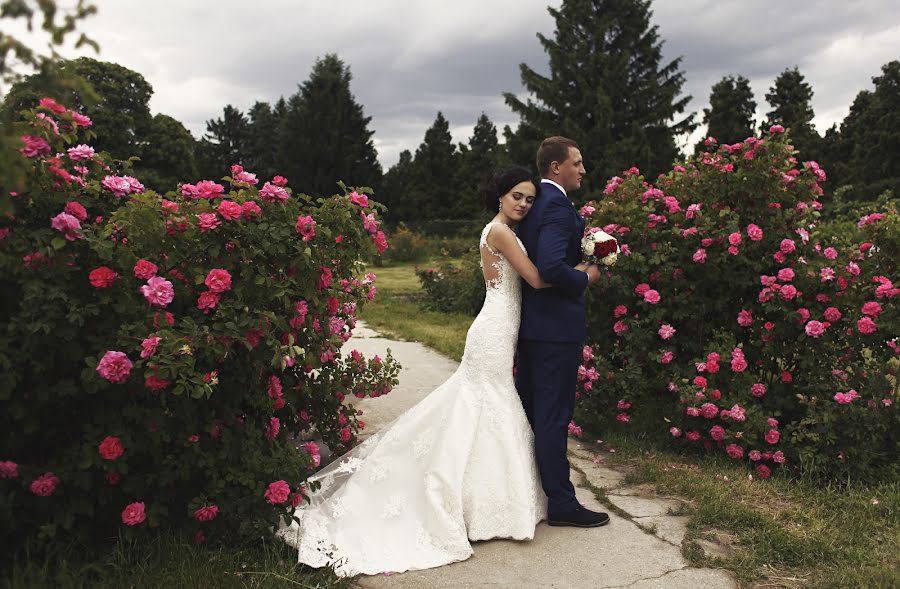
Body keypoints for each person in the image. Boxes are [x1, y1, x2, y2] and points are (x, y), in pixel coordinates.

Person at [278, 167, 590, 576]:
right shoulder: (499, 232)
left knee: (488, 407)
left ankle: (492, 500)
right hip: (493, 330)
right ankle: (479, 503)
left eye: (530, 199)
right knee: (485, 403)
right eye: (517, 196)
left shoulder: (504, 230)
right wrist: (589, 268)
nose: (524, 204)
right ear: (500, 195)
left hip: (503, 327)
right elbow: (536, 278)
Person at [516, 136, 610, 528]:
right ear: (556, 167)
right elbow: (552, 267)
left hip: (535, 328)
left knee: (534, 415)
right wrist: (587, 275)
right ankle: (562, 504)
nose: (583, 170)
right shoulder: (555, 206)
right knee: (553, 418)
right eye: (577, 163)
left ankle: (532, 491)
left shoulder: (536, 206)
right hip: (555, 331)